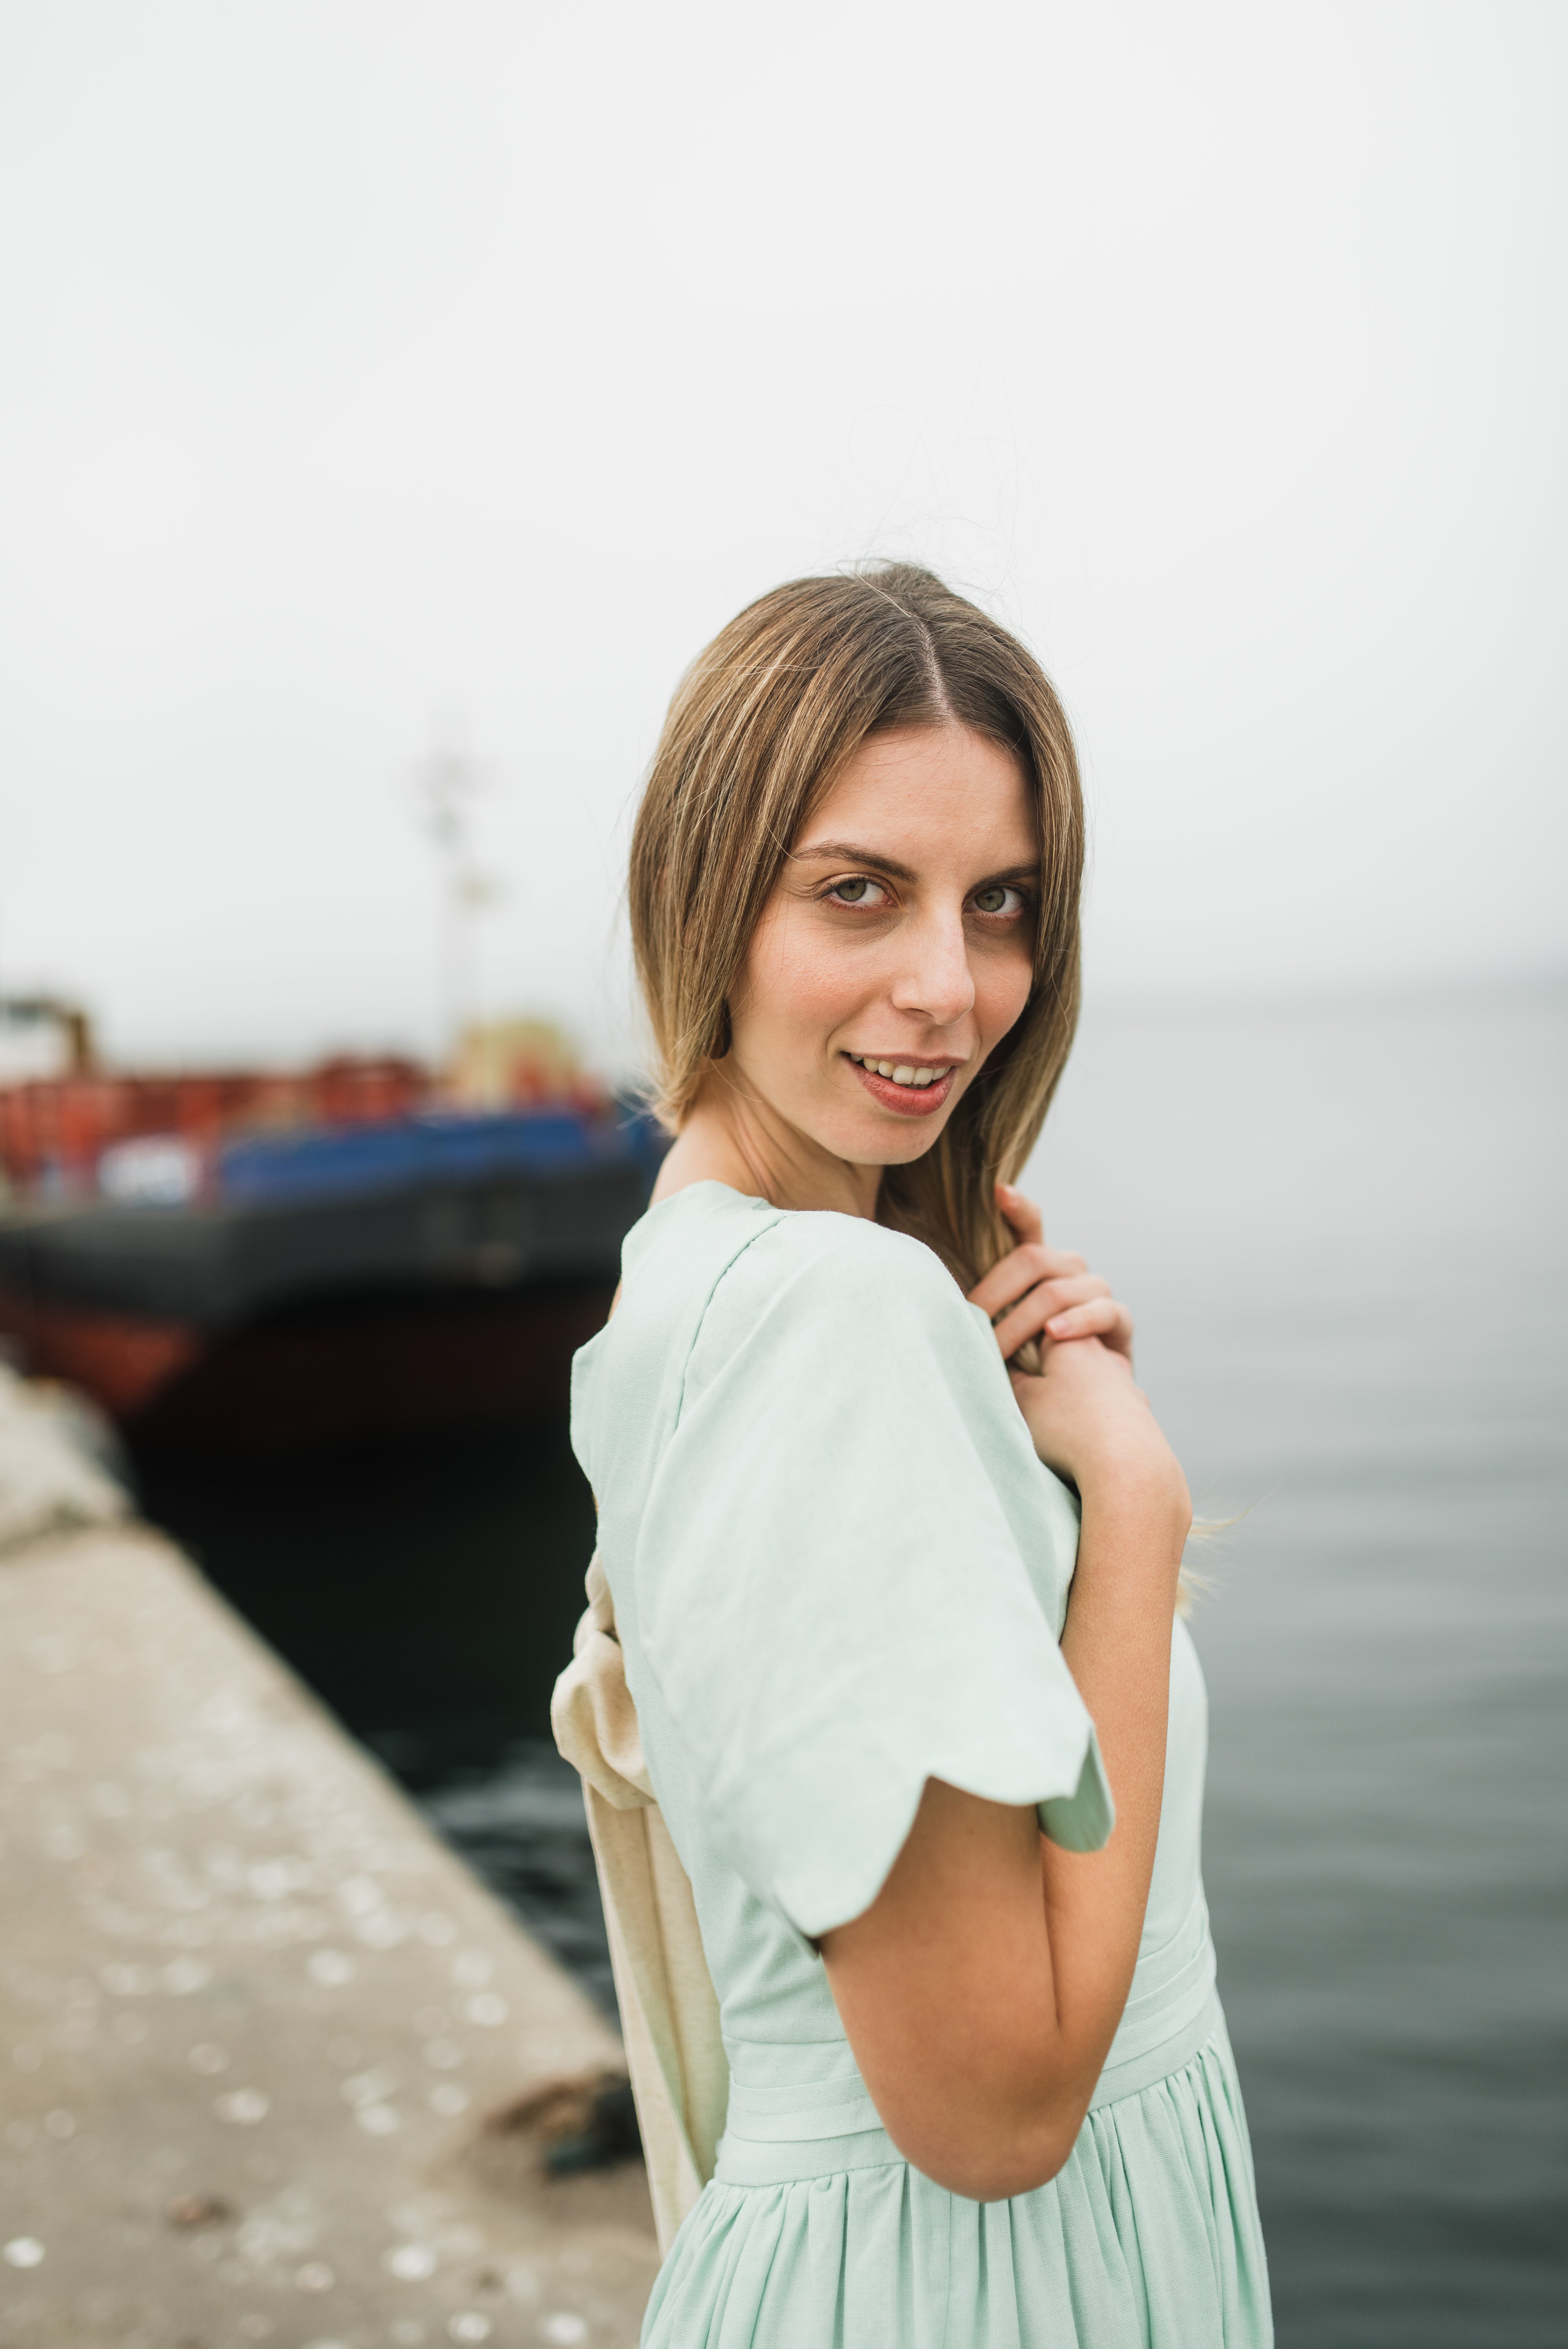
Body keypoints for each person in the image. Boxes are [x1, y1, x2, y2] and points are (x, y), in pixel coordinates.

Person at [554, 564, 1272, 2347]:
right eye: (858, 892)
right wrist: (1134, 1506)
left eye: (1003, 903)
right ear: (709, 893)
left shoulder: (684, 1287)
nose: (951, 987)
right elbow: (997, 2110)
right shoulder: (834, 1319)